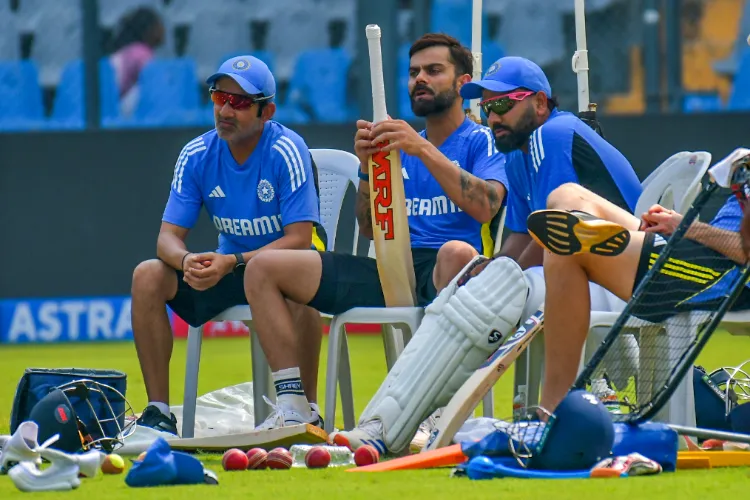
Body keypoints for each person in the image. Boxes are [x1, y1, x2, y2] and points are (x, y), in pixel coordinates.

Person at [331, 55, 645, 454]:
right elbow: (517, 245)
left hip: (620, 279)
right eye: (487, 106)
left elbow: (555, 235)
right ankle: (394, 419)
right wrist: (483, 274)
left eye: (504, 104)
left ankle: (394, 423)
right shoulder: (517, 155)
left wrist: (490, 282)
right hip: (580, 276)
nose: (493, 116)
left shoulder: (556, 133)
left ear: (541, 104)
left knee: (486, 296)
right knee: (474, 286)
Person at [242, 33, 508, 431]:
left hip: (450, 275)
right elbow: (368, 228)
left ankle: (442, 407)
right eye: (414, 72)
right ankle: (296, 406)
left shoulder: (480, 140)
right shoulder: (400, 144)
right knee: (263, 268)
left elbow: (487, 205)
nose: (420, 79)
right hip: (390, 268)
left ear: (461, 83)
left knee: (455, 251)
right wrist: (368, 167)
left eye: (434, 71)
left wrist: (422, 151)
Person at [130, 55, 326, 436]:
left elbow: (300, 239)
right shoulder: (197, 154)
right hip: (231, 268)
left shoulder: (287, 148)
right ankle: (159, 413)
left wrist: (232, 260)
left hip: (286, 269)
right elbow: (166, 238)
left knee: (288, 280)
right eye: (219, 97)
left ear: (266, 111)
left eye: (239, 103)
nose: (225, 110)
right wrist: (187, 261)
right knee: (147, 275)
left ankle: (304, 410)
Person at [526, 184, 750, 414]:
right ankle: (594, 231)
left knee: (565, 248)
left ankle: (552, 411)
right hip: (699, 250)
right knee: (567, 194)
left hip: (723, 277)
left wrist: (686, 227)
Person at [108, 7, 166, 115]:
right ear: (147, 30)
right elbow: (153, 82)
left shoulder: (128, 50)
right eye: (158, 26)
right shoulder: (141, 52)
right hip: (113, 103)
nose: (163, 30)